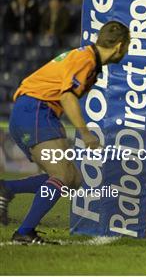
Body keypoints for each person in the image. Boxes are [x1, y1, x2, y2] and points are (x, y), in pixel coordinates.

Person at [0, 21, 131, 244]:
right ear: (119, 46)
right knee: (62, 175)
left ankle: (7, 188)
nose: (126, 51)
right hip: (36, 110)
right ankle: (24, 232)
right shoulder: (86, 60)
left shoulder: (87, 59)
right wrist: (85, 132)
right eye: (127, 46)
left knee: (72, 179)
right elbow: (67, 96)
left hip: (35, 112)